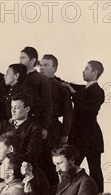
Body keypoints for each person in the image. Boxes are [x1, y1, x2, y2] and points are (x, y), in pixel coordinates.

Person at [63, 61, 106, 192]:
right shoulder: (82, 89)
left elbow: (87, 109)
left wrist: (73, 93)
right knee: (70, 168)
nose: (83, 71)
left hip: (92, 138)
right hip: (78, 137)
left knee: (95, 170)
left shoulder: (99, 92)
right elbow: (65, 84)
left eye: (87, 69)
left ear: (95, 72)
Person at [40, 54, 73, 185]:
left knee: (52, 165)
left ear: (55, 68)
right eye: (40, 65)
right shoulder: (34, 84)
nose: (41, 68)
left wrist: (65, 135)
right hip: (35, 129)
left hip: (52, 130)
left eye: (46, 65)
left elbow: (68, 114)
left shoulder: (61, 87)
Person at [19, 46, 52, 140]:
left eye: (23, 58)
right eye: (20, 58)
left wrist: (44, 127)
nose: (20, 61)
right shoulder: (18, 77)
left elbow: (47, 105)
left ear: (33, 60)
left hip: (34, 124)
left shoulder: (42, 79)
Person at [4, 93, 43, 167]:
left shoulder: (34, 129)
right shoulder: (7, 125)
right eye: (12, 107)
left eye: (16, 108)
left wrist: (5, 158)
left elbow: (31, 155)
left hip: (21, 167)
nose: (13, 111)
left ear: (27, 109)